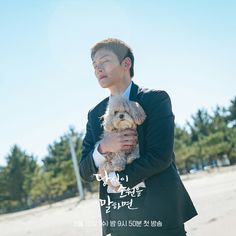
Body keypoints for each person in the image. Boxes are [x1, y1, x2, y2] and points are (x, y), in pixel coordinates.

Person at [79, 38, 198, 236]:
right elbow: (85, 170)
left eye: (104, 61)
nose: (98, 69)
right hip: (119, 222)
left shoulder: (155, 99)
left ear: (126, 63)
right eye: (94, 65)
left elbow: (161, 157)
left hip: (161, 216)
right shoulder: (94, 113)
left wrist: (117, 178)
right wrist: (103, 148)